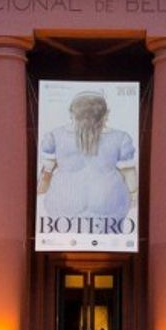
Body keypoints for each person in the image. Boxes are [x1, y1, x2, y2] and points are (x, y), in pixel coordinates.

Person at [38, 91, 136, 228]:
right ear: (106, 114)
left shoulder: (54, 136)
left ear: (72, 113)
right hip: (109, 207)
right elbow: (129, 174)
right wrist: (134, 196)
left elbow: (46, 173)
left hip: (63, 207)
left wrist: (40, 191)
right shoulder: (122, 138)